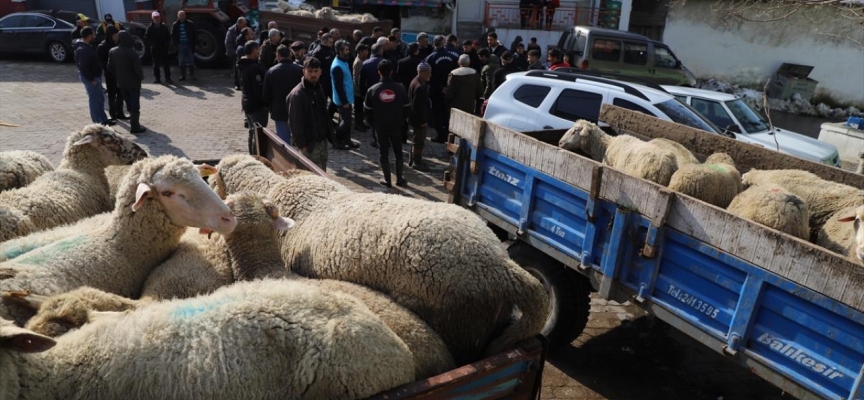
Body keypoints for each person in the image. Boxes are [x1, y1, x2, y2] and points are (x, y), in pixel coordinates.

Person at [364, 60, 410, 188]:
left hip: (380, 127)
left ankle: (387, 179)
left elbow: (367, 111)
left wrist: (374, 125)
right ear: (391, 72)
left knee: (383, 152)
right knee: (398, 151)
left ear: (379, 72)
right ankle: (400, 178)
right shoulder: (400, 88)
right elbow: (407, 108)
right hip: (396, 126)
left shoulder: (372, 90)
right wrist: (401, 121)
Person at [287, 57, 334, 170]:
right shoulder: (297, 94)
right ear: (304, 71)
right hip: (309, 146)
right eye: (310, 71)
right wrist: (302, 145)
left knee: (322, 173)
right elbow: (295, 122)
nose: (313, 74)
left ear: (320, 72)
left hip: (321, 143)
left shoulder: (318, 89)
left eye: (316, 71)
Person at [263, 45, 303, 145]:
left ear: (278, 56)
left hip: (279, 110)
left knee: (284, 141)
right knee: (299, 138)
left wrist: (271, 105)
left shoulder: (271, 72)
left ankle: (287, 159)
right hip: (297, 109)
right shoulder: (299, 70)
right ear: (290, 55)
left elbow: (266, 94)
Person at [74, 27, 114, 126]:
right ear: (88, 36)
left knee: (100, 99)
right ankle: (98, 122)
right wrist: (91, 79)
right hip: (91, 78)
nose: (94, 36)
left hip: (94, 77)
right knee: (95, 100)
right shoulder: (83, 49)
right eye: (93, 34)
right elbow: (83, 66)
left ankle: (103, 119)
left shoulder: (85, 46)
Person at [109, 31, 146, 133]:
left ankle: (134, 124)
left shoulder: (112, 51)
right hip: (133, 82)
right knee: (135, 104)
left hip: (121, 82)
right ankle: (135, 126)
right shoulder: (132, 53)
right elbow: (138, 70)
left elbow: (110, 68)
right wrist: (141, 77)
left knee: (128, 102)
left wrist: (118, 75)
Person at [424, 35, 457, 143]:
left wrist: (439, 87)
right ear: (443, 43)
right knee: (446, 112)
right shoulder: (452, 57)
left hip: (435, 90)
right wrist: (447, 87)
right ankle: (447, 133)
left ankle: (440, 135)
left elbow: (428, 76)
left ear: (434, 43)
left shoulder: (430, 58)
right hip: (449, 90)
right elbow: (455, 73)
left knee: (437, 112)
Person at [238, 41, 268, 155]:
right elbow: (258, 90)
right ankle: (257, 156)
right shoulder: (254, 68)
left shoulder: (242, 65)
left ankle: (252, 154)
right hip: (256, 106)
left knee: (251, 131)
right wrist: (265, 103)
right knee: (258, 133)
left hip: (247, 104)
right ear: (253, 51)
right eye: (257, 49)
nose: (259, 52)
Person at [330, 39, 358, 150]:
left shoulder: (343, 61)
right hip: (343, 100)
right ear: (340, 51)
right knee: (346, 122)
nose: (348, 52)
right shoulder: (337, 66)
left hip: (347, 98)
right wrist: (345, 101)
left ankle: (347, 140)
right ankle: (337, 140)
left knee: (347, 121)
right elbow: (338, 86)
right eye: (346, 50)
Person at [97, 26, 126, 121]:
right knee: (112, 95)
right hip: (110, 75)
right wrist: (110, 70)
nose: (116, 36)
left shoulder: (118, 44)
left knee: (120, 94)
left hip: (120, 74)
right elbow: (101, 62)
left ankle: (120, 113)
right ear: (110, 35)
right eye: (115, 35)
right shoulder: (102, 46)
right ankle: (112, 114)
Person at [360, 43, 385, 147]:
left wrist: (363, 94)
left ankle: (377, 138)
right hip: (384, 92)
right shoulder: (385, 62)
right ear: (380, 51)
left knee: (374, 117)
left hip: (371, 93)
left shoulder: (365, 63)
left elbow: (362, 81)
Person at [408, 62, 432, 171]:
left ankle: (412, 159)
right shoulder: (419, 87)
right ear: (421, 72)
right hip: (419, 120)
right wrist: (423, 120)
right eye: (428, 72)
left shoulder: (416, 82)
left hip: (415, 118)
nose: (430, 75)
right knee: (419, 141)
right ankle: (417, 162)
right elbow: (418, 107)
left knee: (416, 139)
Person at [145, 11, 172, 84]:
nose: (157, 19)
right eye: (155, 18)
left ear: (160, 18)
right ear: (152, 18)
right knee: (155, 65)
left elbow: (168, 36)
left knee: (166, 64)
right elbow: (147, 38)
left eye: (158, 18)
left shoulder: (164, 26)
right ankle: (157, 78)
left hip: (163, 48)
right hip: (154, 49)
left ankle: (168, 78)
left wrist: (167, 44)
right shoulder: (150, 28)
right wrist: (152, 44)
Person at [172, 11, 197, 81]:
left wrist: (195, 44)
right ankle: (182, 76)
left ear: (185, 16)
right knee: (181, 60)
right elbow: (173, 35)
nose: (182, 17)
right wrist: (176, 44)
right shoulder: (175, 25)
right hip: (181, 45)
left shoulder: (190, 24)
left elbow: (195, 34)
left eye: (183, 15)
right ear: (178, 16)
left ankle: (192, 75)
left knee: (191, 60)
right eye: (180, 15)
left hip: (189, 44)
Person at [225, 17, 247, 90]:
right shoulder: (231, 31)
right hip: (235, 52)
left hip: (244, 51)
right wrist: (233, 53)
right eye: (244, 24)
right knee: (236, 68)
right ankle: (237, 84)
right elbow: (228, 43)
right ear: (239, 23)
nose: (245, 25)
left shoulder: (245, 29)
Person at [352, 43, 369, 133]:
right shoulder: (358, 62)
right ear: (360, 52)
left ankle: (361, 123)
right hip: (358, 90)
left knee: (361, 108)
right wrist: (360, 89)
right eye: (365, 51)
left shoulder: (362, 61)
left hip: (360, 89)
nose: (367, 52)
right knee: (358, 108)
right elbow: (357, 77)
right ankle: (358, 124)